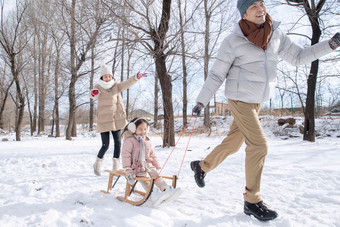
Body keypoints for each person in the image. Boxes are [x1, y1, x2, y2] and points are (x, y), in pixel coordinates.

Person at [190, 0, 339, 222]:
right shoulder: (233, 41)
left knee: (234, 143)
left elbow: (298, 57)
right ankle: (252, 200)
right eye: (253, 7)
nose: (260, 9)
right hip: (239, 99)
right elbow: (216, 74)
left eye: (261, 4)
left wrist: (331, 45)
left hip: (257, 101)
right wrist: (201, 102)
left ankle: (202, 167)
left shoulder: (275, 34)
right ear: (244, 15)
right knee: (259, 145)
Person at [90, 64, 147, 176]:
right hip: (104, 120)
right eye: (105, 76)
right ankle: (97, 162)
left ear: (112, 77)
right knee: (105, 145)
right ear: (102, 78)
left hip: (116, 119)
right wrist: (94, 93)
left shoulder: (116, 86)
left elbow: (127, 83)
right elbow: (93, 95)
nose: (107, 78)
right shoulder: (98, 87)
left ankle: (115, 167)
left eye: (109, 76)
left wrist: (136, 77)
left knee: (118, 143)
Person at [121, 118, 182, 206]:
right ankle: (153, 193)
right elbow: (126, 155)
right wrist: (127, 168)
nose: (143, 131)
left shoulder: (147, 141)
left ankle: (165, 189)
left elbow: (152, 154)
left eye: (145, 129)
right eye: (140, 129)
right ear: (133, 128)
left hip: (147, 165)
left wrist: (156, 165)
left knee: (156, 175)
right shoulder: (129, 140)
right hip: (135, 168)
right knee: (145, 179)